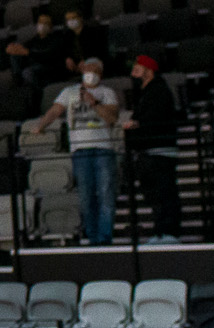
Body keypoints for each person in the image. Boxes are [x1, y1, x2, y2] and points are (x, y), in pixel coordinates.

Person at [28, 59, 121, 245]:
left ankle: (104, 238)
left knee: (106, 194)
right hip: (80, 150)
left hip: (103, 148)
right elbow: (55, 111)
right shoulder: (69, 92)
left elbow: (112, 118)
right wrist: (41, 125)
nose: (91, 74)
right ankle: (92, 237)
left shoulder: (107, 92)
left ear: (100, 74)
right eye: (88, 70)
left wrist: (94, 103)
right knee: (86, 196)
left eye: (95, 71)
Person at [124, 55, 183, 242]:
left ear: (148, 70)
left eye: (137, 68)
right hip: (149, 149)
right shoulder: (145, 92)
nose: (134, 72)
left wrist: (137, 124)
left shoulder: (158, 91)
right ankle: (161, 231)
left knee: (164, 192)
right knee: (154, 194)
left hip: (159, 149)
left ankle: (169, 232)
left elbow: (154, 116)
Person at [4, 12, 65, 90]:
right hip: (33, 64)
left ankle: (38, 90)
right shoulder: (35, 39)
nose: (42, 25)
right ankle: (17, 77)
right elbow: (24, 47)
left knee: (27, 72)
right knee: (15, 55)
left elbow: (47, 56)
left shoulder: (56, 39)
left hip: (47, 66)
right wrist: (14, 48)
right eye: (40, 23)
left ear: (50, 26)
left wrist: (27, 52)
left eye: (45, 23)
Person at [58, 9, 109, 81]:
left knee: (91, 64)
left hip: (92, 60)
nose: (71, 21)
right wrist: (67, 58)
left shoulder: (93, 32)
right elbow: (64, 50)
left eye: (73, 18)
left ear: (80, 18)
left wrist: (85, 60)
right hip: (76, 64)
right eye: (68, 19)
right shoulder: (67, 35)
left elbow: (99, 50)